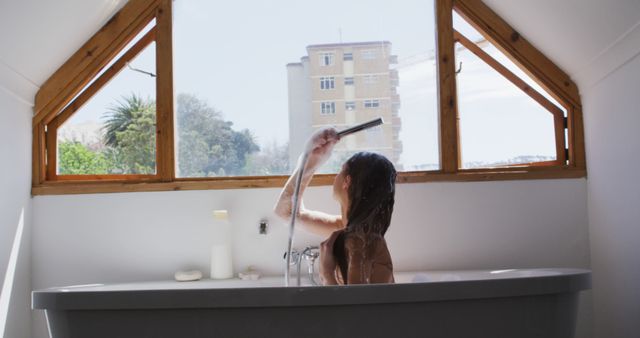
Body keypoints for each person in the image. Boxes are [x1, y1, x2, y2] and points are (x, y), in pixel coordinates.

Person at [274, 127, 396, 285]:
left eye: (340, 171)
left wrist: (327, 273)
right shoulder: (347, 229)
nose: (335, 177)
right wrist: (311, 160)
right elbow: (287, 213)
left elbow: (354, 308)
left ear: (347, 182)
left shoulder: (361, 242)